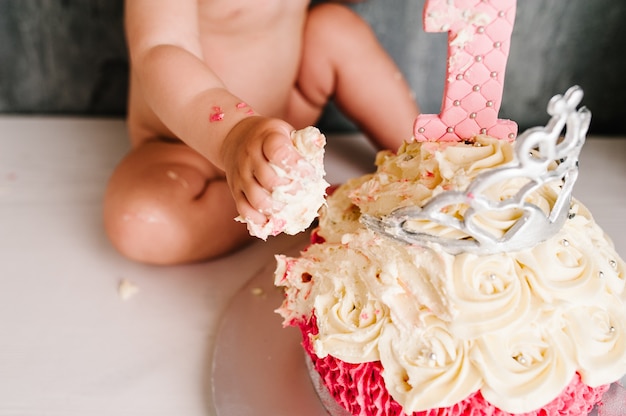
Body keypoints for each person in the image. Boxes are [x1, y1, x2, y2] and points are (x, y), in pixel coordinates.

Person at [104, 0, 420, 265]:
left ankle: (430, 160)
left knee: (335, 29)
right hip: (181, 147)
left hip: (287, 110)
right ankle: (300, 201)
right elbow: (160, 49)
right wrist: (232, 136)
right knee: (139, 222)